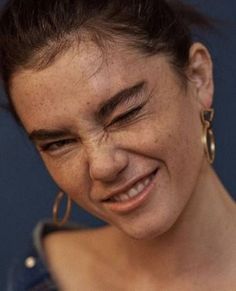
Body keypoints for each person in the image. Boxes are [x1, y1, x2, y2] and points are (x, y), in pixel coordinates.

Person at [1, 0, 235, 290]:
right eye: (60, 143)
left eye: (125, 114)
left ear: (198, 78)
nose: (103, 166)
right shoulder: (39, 276)